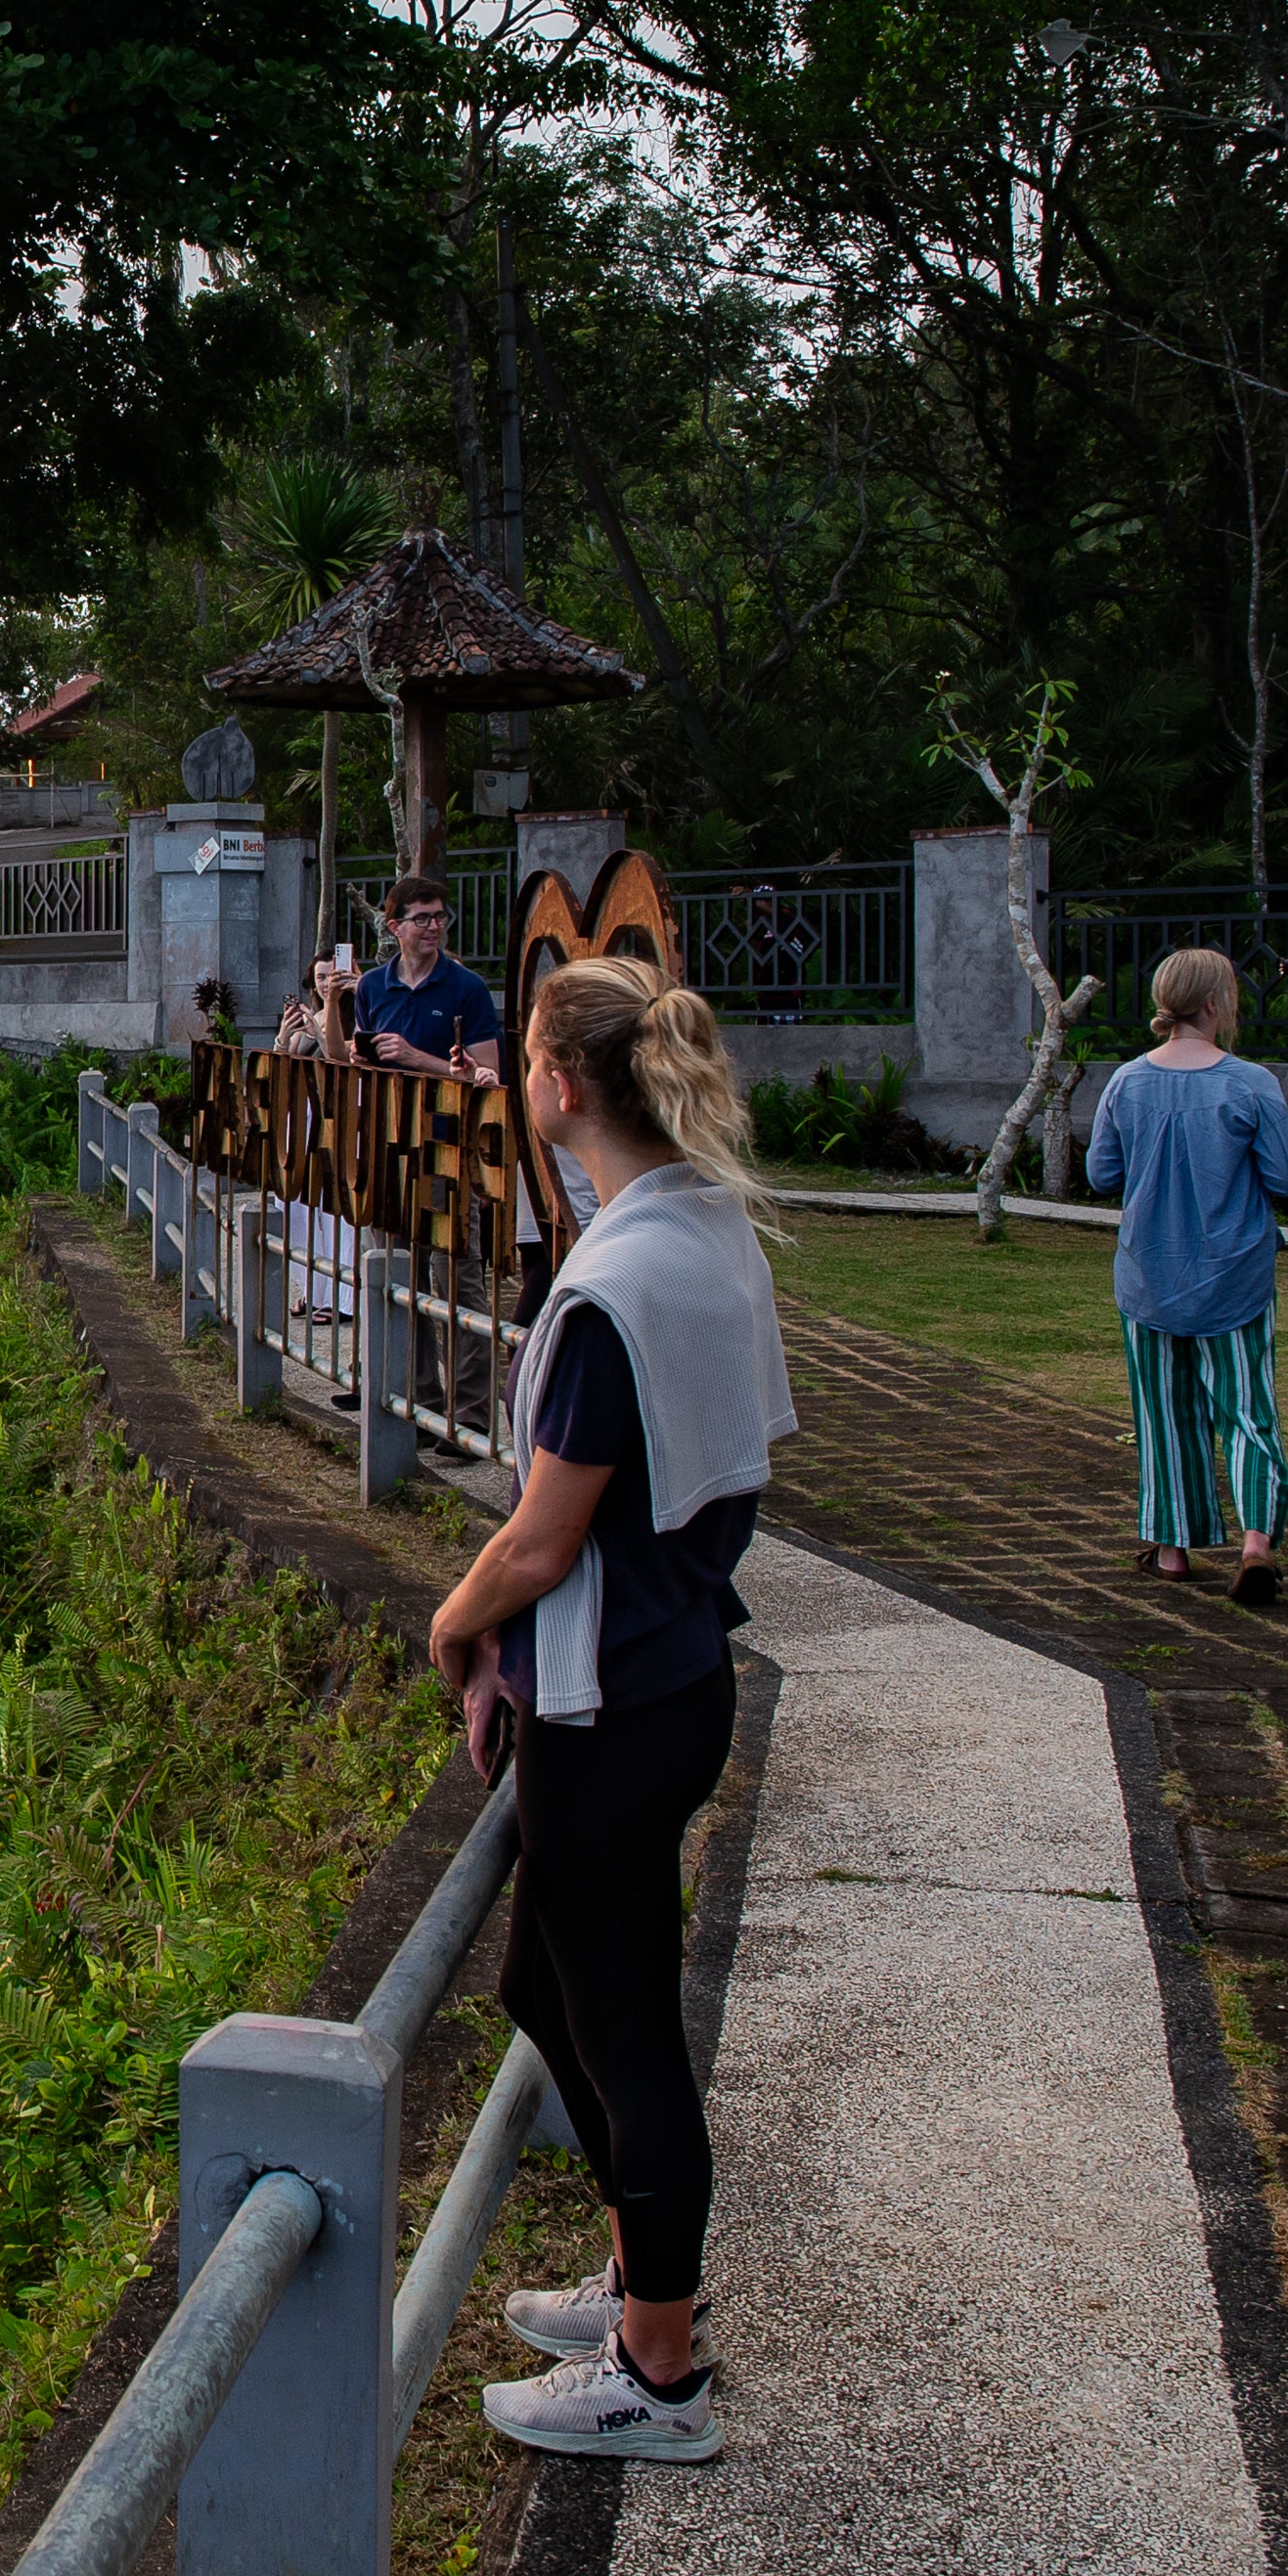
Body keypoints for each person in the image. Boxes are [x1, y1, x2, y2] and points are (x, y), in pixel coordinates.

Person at [427, 955, 794, 2467]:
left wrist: (457, 1624)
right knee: (547, 1985)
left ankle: (659, 2368)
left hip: (613, 1702)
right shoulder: (705, 1226)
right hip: (675, 1669)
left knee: (627, 2029)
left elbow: (541, 1538)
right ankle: (649, 2277)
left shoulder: (606, 1291)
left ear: (561, 1085)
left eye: (525, 1055)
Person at [1084, 947, 1288, 1605]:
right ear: (1214, 1003)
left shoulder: (1126, 1082)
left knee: (1163, 1414)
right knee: (1248, 1412)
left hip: (1149, 1275)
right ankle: (1256, 1543)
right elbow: (1286, 1177)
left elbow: (1102, 1173)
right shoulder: (1251, 1083)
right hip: (1234, 1276)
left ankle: (1173, 1549)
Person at [275, 875, 500, 1078]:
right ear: (395, 927)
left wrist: (414, 1057)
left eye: (439, 917)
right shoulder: (371, 985)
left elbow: (488, 1074)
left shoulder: (469, 986)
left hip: (445, 1110)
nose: (434, 927)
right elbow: (346, 1057)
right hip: (382, 1109)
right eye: (421, 919)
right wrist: (361, 1060)